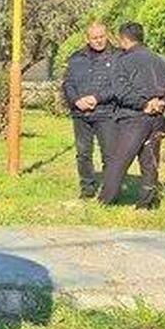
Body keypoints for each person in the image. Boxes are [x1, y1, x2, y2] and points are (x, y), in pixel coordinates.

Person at [98, 22, 165, 209]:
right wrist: (162, 102)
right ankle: (146, 203)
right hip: (157, 118)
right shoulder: (161, 60)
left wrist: (144, 105)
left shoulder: (122, 61)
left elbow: (121, 91)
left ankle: (106, 200)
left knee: (118, 160)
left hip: (133, 118)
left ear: (124, 39)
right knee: (150, 161)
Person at [61, 22, 120, 199]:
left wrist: (97, 98)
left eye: (102, 37)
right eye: (95, 38)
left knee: (109, 154)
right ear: (87, 39)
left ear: (107, 35)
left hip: (106, 112)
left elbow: (119, 85)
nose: (99, 41)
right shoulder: (76, 58)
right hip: (81, 114)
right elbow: (68, 84)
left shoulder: (117, 57)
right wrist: (76, 101)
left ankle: (110, 191)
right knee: (83, 153)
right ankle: (87, 188)